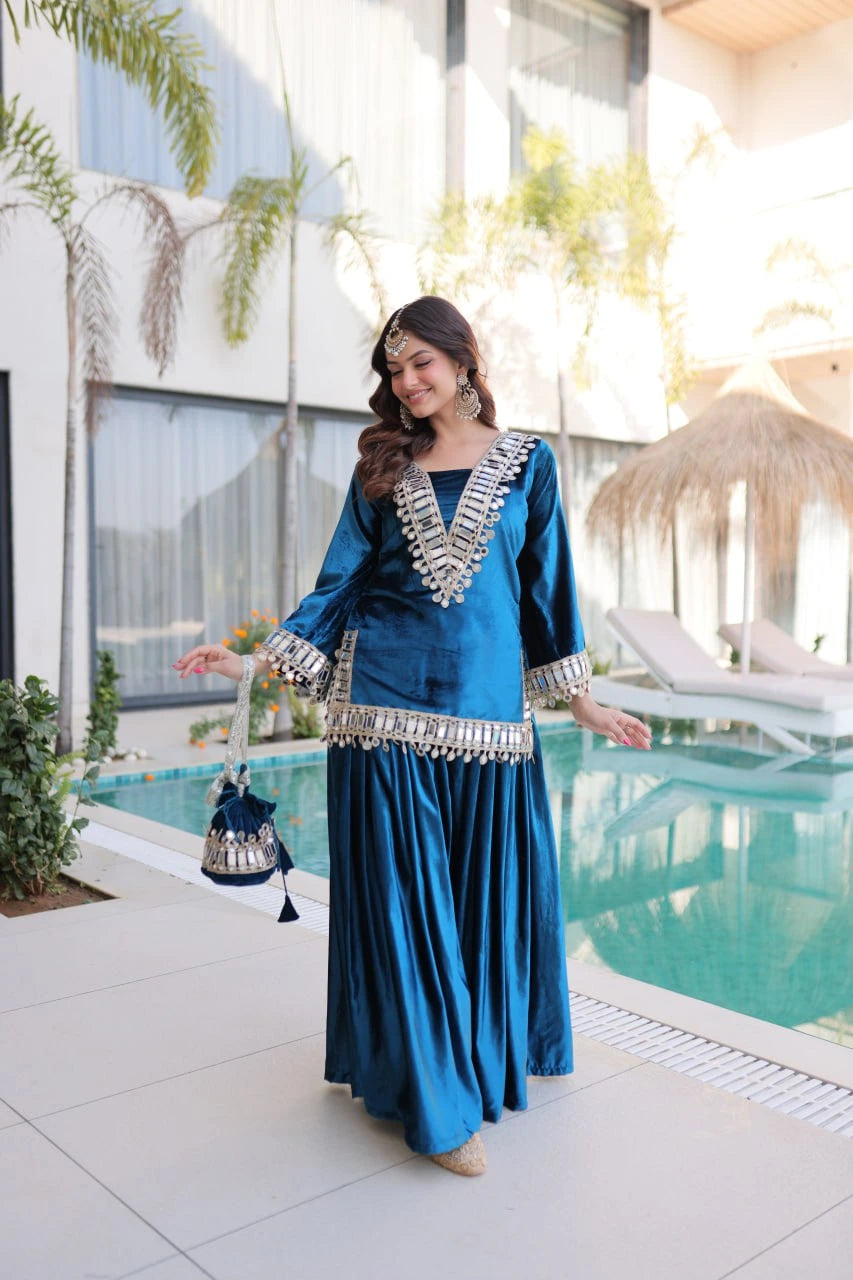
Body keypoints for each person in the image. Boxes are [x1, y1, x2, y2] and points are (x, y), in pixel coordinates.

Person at [173, 296, 651, 1177]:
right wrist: (254, 666)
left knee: (474, 912)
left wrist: (580, 702)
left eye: (421, 362)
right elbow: (337, 587)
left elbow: (546, 595)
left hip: (489, 727)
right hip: (379, 710)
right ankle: (439, 1111)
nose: (408, 381)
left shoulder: (527, 465)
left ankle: (462, 1060)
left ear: (463, 360)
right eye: (395, 369)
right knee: (407, 914)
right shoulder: (382, 468)